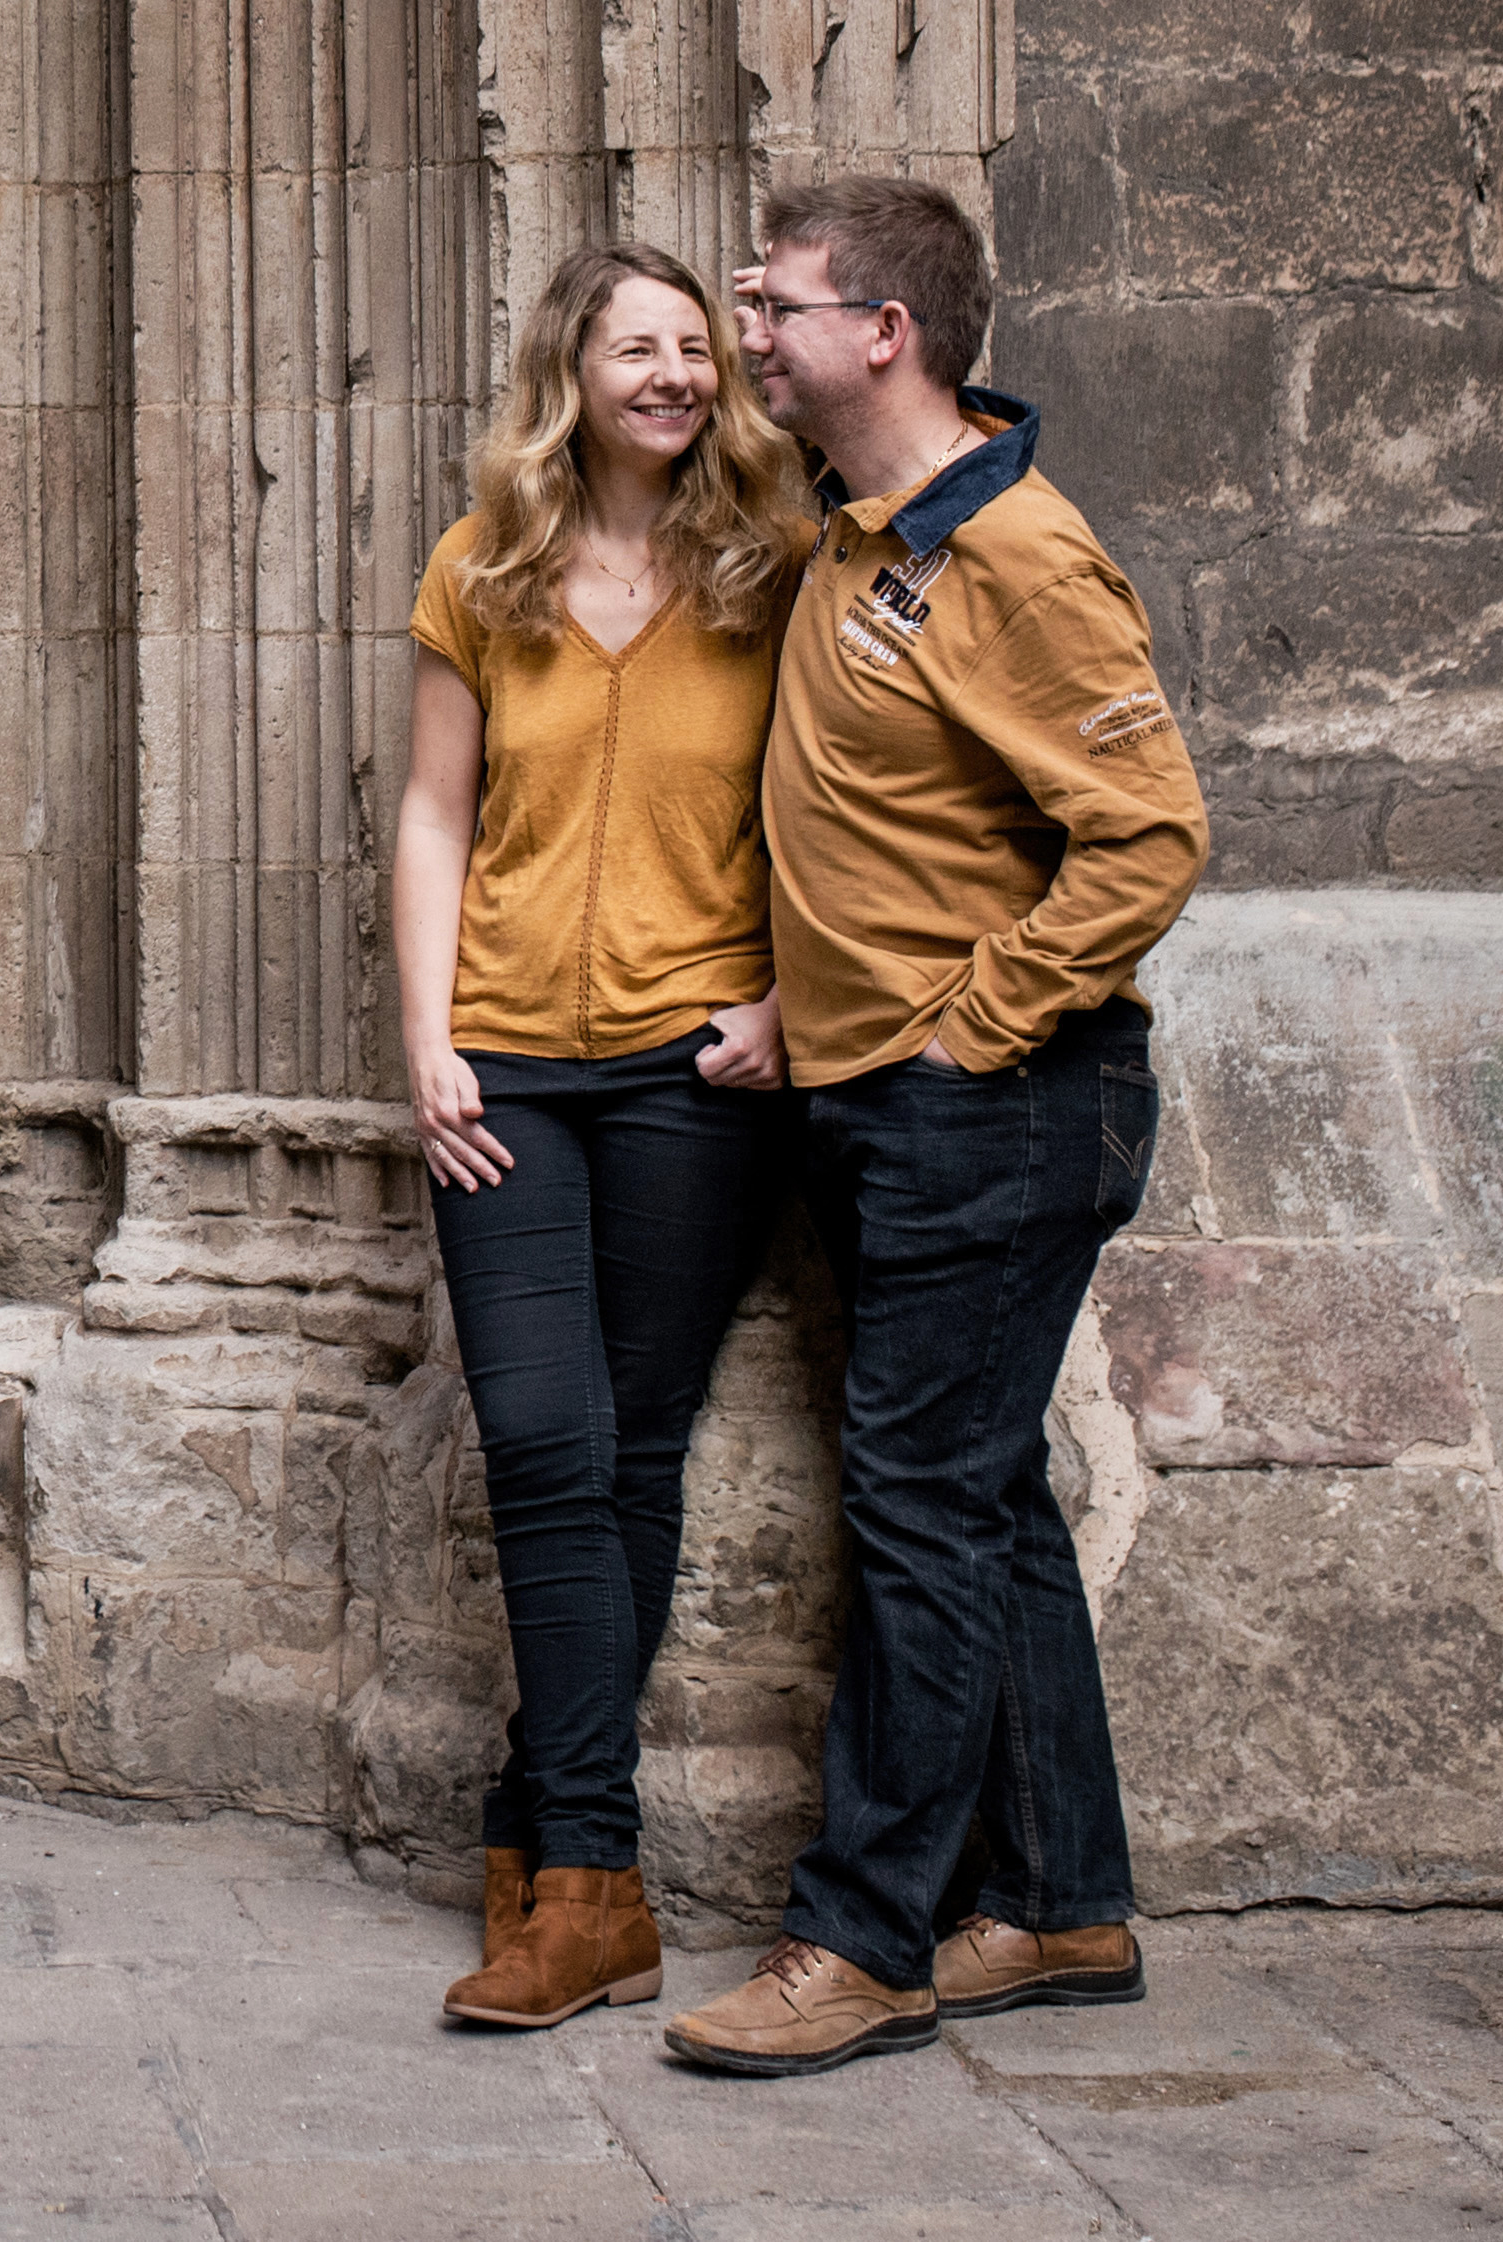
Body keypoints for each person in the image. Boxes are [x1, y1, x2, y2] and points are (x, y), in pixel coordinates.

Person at [660, 175, 1210, 2079]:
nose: (744, 325)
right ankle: (1056, 1894)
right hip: (886, 1086)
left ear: (881, 330)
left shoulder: (1016, 557)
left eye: (776, 299)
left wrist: (963, 1032)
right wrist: (809, 1013)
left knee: (909, 1514)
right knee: (974, 1504)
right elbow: (893, 845)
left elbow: (1149, 834)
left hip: (990, 1106)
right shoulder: (858, 527)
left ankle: (860, 1935)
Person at [395, 242, 818, 2033]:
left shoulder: (777, 568)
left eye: (692, 348)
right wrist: (420, 1039)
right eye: (630, 346)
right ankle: (585, 1867)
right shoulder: (482, 568)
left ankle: (549, 1858)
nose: (668, 373)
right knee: (545, 1441)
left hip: (687, 1067)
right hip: (500, 1062)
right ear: (564, 373)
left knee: (630, 1449)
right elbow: (431, 811)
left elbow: (847, 810)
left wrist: (796, 1003)